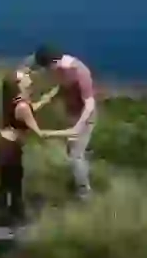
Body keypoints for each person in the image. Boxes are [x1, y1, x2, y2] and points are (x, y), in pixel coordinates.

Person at [0, 67, 73, 226]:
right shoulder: (22, 106)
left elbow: (30, 109)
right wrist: (69, 132)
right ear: (19, 84)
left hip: (2, 145)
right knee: (14, 184)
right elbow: (40, 133)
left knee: (5, 184)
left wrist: (49, 96)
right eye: (24, 77)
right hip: (11, 150)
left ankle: (3, 216)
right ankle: (13, 219)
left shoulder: (14, 100)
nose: (28, 77)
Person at [31, 46, 98, 200]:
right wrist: (41, 103)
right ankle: (85, 159)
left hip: (84, 116)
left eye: (45, 68)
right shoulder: (61, 68)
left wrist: (79, 126)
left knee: (75, 155)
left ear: (53, 64)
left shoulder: (79, 72)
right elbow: (61, 88)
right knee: (73, 150)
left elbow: (89, 104)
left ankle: (85, 193)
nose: (45, 72)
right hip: (72, 113)